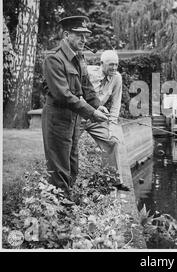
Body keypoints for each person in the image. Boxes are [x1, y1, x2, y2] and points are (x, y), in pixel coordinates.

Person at [42, 16, 109, 200]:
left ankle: (67, 204)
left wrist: (98, 106)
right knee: (59, 168)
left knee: (73, 165)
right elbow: (63, 95)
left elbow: (86, 86)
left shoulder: (78, 58)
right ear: (66, 34)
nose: (84, 40)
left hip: (73, 119)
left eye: (85, 36)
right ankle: (61, 211)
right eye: (80, 35)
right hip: (57, 120)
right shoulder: (53, 59)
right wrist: (91, 113)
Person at [84, 50, 130, 191]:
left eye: (116, 65)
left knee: (112, 142)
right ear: (101, 64)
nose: (114, 68)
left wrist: (112, 127)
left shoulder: (117, 78)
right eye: (111, 65)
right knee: (70, 147)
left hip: (97, 118)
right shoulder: (88, 72)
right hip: (79, 115)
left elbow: (116, 104)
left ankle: (113, 180)